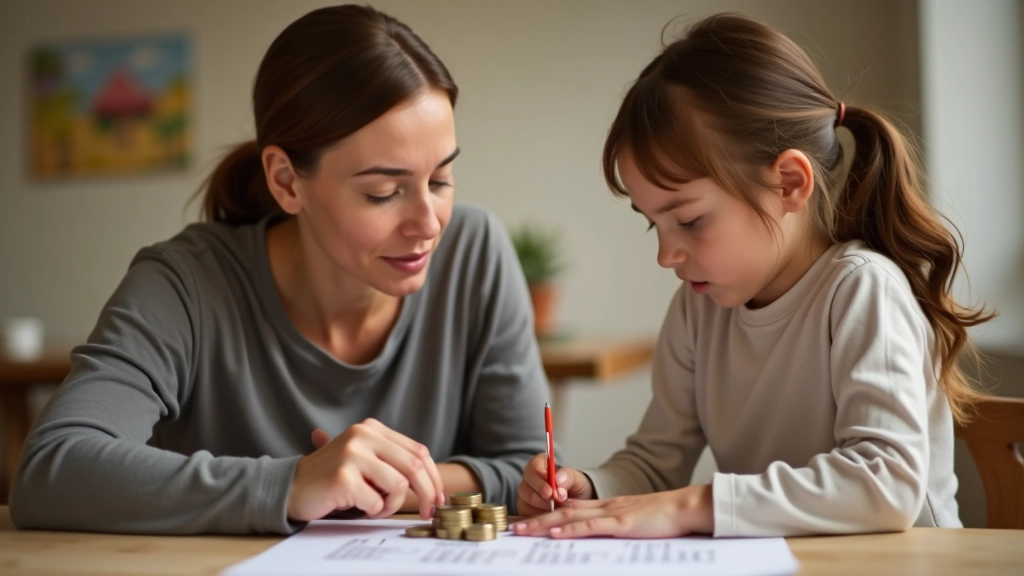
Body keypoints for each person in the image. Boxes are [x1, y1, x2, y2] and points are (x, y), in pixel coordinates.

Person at [11, 4, 551, 535]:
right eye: (383, 192)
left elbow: (528, 473)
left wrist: (374, 482)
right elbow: (52, 469)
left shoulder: (475, 252)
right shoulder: (185, 282)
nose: (428, 224)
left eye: (440, 181)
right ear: (287, 181)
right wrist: (289, 484)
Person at [514, 13, 993, 539]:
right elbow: (654, 463)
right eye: (654, 224)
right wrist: (590, 485)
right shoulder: (699, 309)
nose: (666, 255)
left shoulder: (862, 291)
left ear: (789, 183)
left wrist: (693, 504)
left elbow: (886, 485)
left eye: (690, 220)